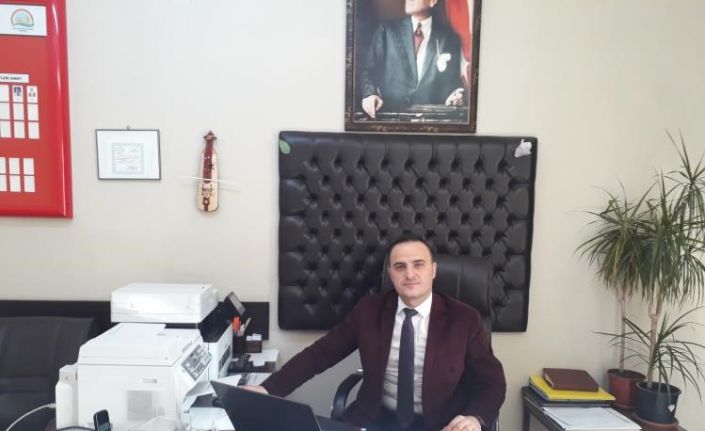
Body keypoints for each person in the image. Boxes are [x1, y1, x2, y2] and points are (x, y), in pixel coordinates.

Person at [247, 235, 506, 431]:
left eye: (418, 264)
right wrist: (268, 389)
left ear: (433, 270)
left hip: (441, 424)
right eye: (400, 267)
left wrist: (475, 417)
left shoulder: (464, 319)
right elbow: (319, 354)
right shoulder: (369, 311)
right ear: (390, 274)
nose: (410, 274)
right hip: (375, 419)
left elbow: (492, 381)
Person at [358, 0, 466, 119]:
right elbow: (368, 71)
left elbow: (450, 84)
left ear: (433, 1)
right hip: (391, 118)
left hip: (430, 121)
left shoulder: (449, 38)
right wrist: (370, 94)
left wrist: (453, 96)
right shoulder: (387, 31)